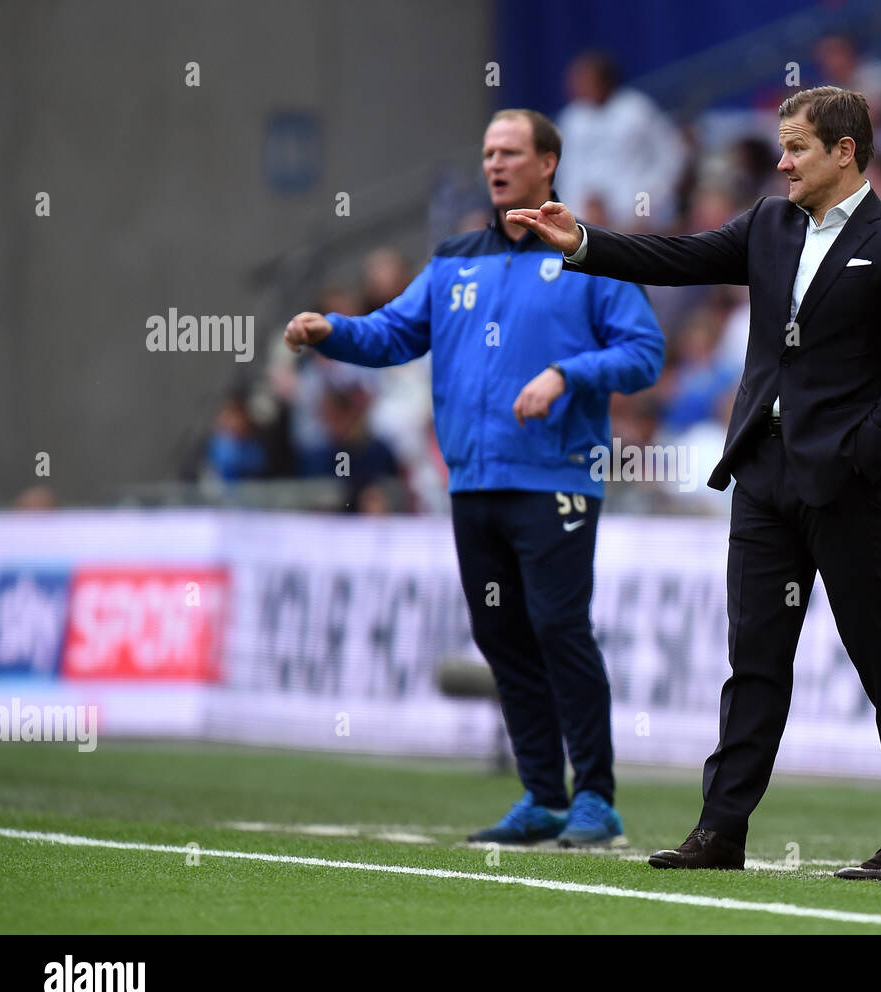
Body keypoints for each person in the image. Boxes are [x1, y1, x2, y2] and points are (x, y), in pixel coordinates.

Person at [509, 86, 881, 879]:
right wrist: (582, 242)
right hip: (762, 474)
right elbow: (676, 258)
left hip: (844, 483)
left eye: (797, 148)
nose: (781, 160)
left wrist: (863, 454)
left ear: (845, 151)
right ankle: (720, 831)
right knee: (753, 658)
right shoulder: (769, 224)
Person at [285, 109, 665, 847]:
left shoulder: (589, 256)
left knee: (559, 628)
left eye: (511, 152)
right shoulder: (455, 257)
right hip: (473, 482)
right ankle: (542, 796)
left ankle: (598, 798)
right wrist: (334, 330)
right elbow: (394, 331)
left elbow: (644, 353)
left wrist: (566, 372)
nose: (495, 164)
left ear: (548, 163)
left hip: (556, 477)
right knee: (503, 637)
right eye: (489, 152)